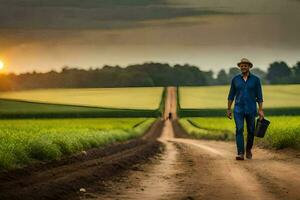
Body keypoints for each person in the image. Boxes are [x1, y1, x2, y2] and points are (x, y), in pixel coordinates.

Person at [226, 58, 264, 160]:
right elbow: (231, 96)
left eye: (245, 65)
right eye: (241, 66)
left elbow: (259, 96)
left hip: (251, 109)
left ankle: (248, 150)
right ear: (240, 67)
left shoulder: (256, 80)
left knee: (251, 131)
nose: (243, 67)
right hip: (238, 109)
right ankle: (241, 153)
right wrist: (229, 109)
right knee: (239, 129)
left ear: (249, 67)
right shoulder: (235, 80)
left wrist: (260, 110)